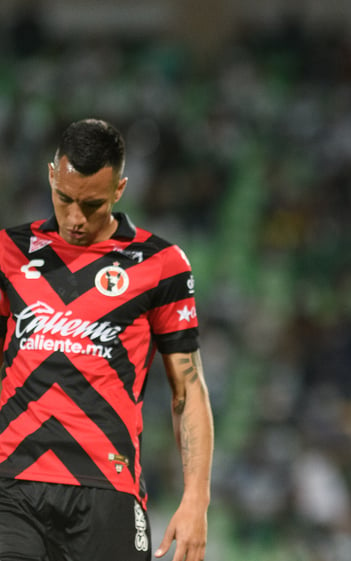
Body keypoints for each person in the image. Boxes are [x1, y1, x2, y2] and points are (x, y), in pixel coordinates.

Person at [0, 119, 214, 561]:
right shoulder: (9, 252)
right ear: (51, 176)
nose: (76, 218)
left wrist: (196, 500)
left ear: (120, 189)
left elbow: (187, 389)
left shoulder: (161, 264)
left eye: (92, 204)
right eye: (64, 199)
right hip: (11, 481)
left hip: (106, 487)